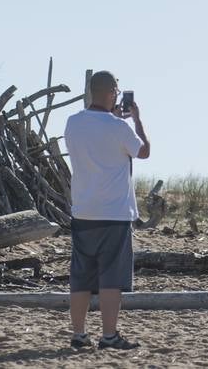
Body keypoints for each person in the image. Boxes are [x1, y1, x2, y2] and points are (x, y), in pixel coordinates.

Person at [63, 70, 150, 350]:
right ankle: (109, 335)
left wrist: (116, 120)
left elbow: (97, 136)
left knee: (81, 277)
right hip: (113, 213)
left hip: (83, 210)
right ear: (113, 91)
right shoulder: (120, 127)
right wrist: (136, 120)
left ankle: (79, 334)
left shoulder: (73, 123)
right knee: (111, 278)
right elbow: (144, 151)